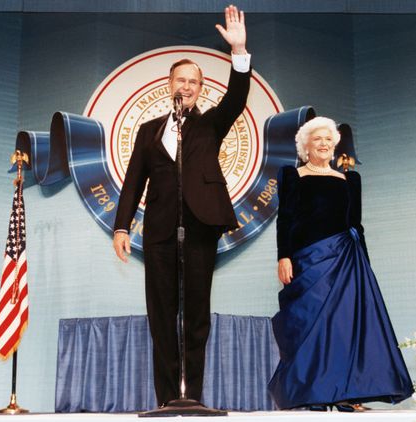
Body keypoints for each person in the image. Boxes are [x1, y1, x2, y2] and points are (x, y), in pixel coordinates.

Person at [112, 5, 250, 408]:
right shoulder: (148, 131)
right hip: (158, 232)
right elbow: (133, 181)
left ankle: (194, 398)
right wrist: (122, 227)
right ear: (169, 84)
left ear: (200, 89)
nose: (186, 86)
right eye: (181, 80)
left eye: (193, 81)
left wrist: (238, 52)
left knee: (196, 318)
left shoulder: (210, 124)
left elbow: (238, 97)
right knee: (161, 318)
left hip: (200, 228)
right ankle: (168, 400)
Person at [268, 117, 414, 411]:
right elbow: (285, 219)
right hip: (309, 260)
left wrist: (365, 267)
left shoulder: (350, 179)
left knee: (348, 327)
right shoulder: (292, 176)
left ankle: (347, 394)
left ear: (334, 145)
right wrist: (283, 256)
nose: (323, 143)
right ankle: (314, 393)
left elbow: (356, 225)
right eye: (317, 139)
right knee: (312, 327)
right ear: (305, 146)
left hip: (348, 260)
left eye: (327, 139)